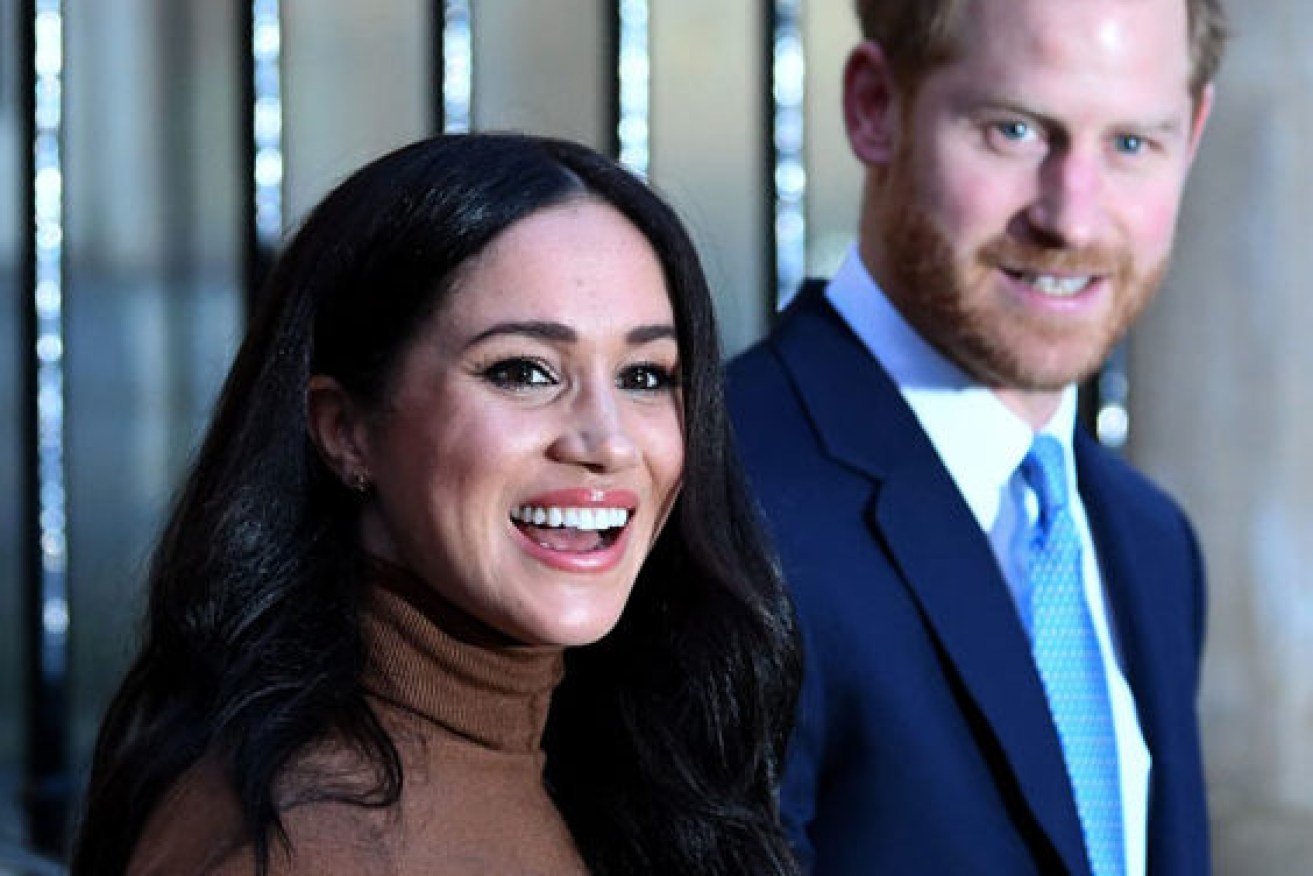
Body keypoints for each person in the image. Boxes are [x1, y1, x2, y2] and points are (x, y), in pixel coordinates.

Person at [72, 133, 801, 875]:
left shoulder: (587, 761)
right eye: (523, 371)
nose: (606, 441)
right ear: (344, 430)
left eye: (645, 376)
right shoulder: (319, 846)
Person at [727, 0, 1226, 873]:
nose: (1070, 219)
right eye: (1016, 130)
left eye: (1131, 144)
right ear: (875, 106)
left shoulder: (1151, 544)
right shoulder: (721, 500)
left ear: (1193, 133)